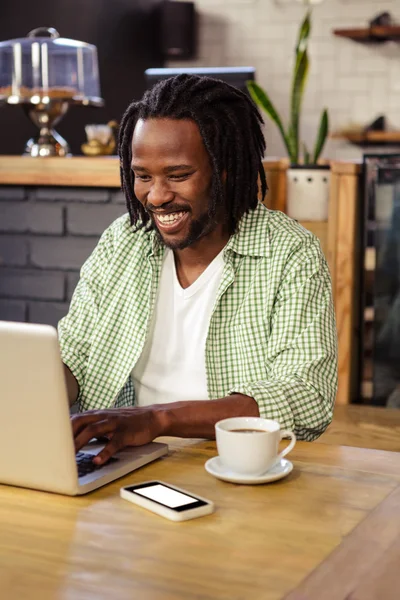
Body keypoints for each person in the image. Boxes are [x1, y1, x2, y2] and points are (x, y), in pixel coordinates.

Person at [60, 74, 338, 465]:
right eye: (142, 176)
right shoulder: (123, 241)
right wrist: (34, 379)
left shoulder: (289, 253)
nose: (156, 196)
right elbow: (76, 356)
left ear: (224, 169)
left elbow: (307, 398)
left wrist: (158, 418)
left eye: (178, 175)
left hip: (229, 466)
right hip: (117, 460)